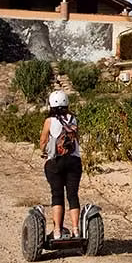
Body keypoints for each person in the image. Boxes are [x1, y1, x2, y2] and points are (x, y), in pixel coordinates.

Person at [38, 90, 82, 239]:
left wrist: (43, 151)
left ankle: (57, 231)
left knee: (57, 195)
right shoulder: (73, 119)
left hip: (56, 162)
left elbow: (43, 141)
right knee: (73, 195)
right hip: (74, 161)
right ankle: (76, 230)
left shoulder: (49, 121)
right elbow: (77, 139)